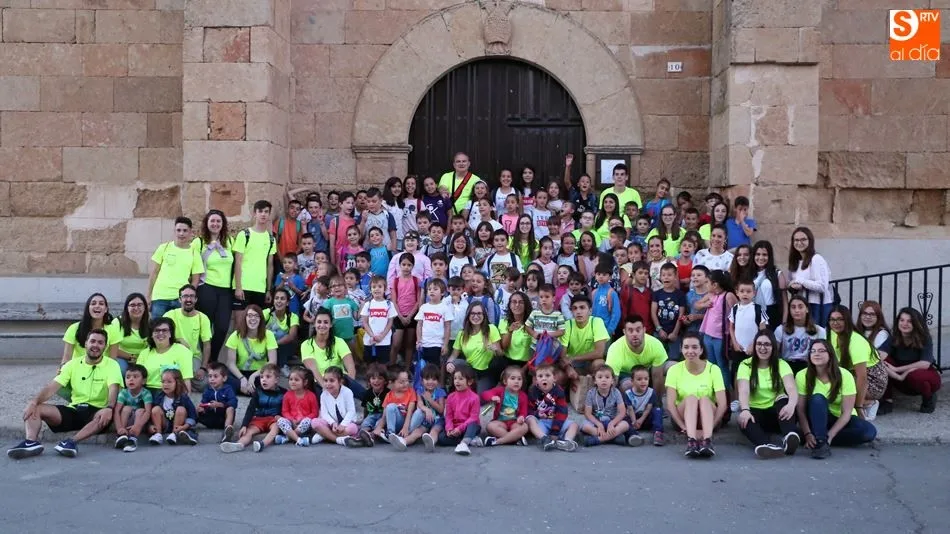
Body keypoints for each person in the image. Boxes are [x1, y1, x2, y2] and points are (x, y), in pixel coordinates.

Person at [8, 328, 122, 459]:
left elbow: (114, 389)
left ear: (105, 346)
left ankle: (71, 442)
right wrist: (33, 402)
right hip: (74, 409)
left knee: (103, 416)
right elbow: (52, 387)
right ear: (86, 344)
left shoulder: (112, 365)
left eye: (100, 343)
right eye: (93, 341)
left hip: (97, 411)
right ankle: (31, 442)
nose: (96, 345)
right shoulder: (72, 364)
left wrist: (109, 408)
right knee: (36, 408)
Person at [795, 339, 877, 459]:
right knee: (818, 399)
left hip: (841, 419)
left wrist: (830, 436)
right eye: (813, 351)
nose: (816, 354)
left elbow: (846, 412)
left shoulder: (845, 375)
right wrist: (807, 434)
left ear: (830, 354)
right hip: (817, 417)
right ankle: (819, 443)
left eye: (821, 351)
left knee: (869, 432)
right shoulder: (802, 375)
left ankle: (820, 439)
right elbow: (800, 410)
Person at [736, 331, 800, 459]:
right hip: (755, 413)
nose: (762, 348)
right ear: (754, 346)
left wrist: (792, 404)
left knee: (784, 399)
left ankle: (789, 437)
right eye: (759, 344)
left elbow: (791, 388)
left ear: (773, 347)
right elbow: (743, 390)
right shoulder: (745, 365)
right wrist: (744, 410)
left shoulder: (781, 364)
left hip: (777, 415)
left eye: (767, 344)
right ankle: (767, 445)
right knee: (743, 419)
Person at [666, 333, 728, 458]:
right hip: (683, 418)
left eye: (694, 347)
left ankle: (707, 441)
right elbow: (670, 404)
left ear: (701, 350)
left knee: (704, 399)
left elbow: (722, 404)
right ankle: (691, 441)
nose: (690, 351)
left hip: (708, 418)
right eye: (686, 347)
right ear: (681, 349)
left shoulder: (713, 369)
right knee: (691, 398)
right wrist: (684, 427)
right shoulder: (674, 370)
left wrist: (712, 426)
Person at [827, 305, 887, 420]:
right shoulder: (833, 334)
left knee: (838, 385)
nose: (836, 323)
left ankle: (868, 403)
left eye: (840, 319)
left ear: (847, 320)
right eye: (832, 319)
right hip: (852, 373)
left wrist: (858, 407)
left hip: (873, 381)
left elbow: (862, 378)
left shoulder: (856, 341)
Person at [881, 307, 942, 414]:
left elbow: (925, 364)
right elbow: (880, 356)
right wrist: (895, 374)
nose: (905, 324)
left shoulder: (924, 338)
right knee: (883, 361)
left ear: (916, 323)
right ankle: (887, 401)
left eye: (909, 321)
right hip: (899, 378)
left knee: (915, 375)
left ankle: (928, 398)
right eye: (902, 320)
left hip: (923, 376)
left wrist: (898, 369)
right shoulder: (894, 337)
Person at [194, 209, 234, 364]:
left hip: (225, 290)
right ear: (207, 223)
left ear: (222, 224)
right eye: (212, 221)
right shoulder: (199, 242)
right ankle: (203, 360)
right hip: (206, 288)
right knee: (205, 328)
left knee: (223, 327)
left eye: (218, 221)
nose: (215, 224)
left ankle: (213, 359)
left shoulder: (230, 241)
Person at [220, 363, 286, 453]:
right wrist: (244, 425)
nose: (264, 380)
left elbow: (286, 408)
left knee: (275, 428)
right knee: (249, 431)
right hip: (259, 418)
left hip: (274, 419)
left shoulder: (283, 393)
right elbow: (250, 409)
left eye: (268, 377)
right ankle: (239, 444)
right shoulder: (258, 391)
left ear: (276, 380)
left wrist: (282, 418)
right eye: (262, 377)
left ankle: (262, 444)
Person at [301, 307, 364, 397]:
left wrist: (347, 389)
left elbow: (350, 366)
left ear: (331, 324)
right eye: (319, 322)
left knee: (366, 396)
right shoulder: (306, 345)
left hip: (341, 381)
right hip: (320, 383)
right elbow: (314, 370)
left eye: (326, 322)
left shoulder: (339, 341)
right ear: (314, 324)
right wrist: (327, 388)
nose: (322, 325)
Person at [148, 216, 203, 317]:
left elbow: (195, 280)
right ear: (174, 231)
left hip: (180, 300)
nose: (181, 233)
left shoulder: (195, 253)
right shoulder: (163, 248)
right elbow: (154, 273)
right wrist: (148, 296)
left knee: (179, 331)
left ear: (191, 232)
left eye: (185, 230)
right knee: (157, 330)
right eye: (179, 230)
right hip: (160, 297)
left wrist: (188, 297)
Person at [446, 302, 503, 393]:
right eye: (472, 313)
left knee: (480, 398)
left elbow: (500, 353)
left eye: (479, 313)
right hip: (469, 370)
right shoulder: (462, 333)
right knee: (455, 363)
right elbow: (453, 355)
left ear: (484, 315)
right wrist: (448, 363)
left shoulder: (491, 329)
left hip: (485, 372)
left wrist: (495, 348)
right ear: (468, 315)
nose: (476, 316)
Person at [163, 284, 212, 391]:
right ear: (180, 299)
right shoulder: (170, 315)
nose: (188, 299)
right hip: (172, 355)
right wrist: (179, 340)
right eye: (185, 296)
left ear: (196, 299)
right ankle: (180, 384)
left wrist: (203, 368)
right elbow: (160, 337)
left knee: (204, 383)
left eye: (191, 296)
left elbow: (207, 345)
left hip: (193, 357)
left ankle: (178, 384)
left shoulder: (202, 318)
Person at [605, 316, 670, 394]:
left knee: (673, 367)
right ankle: (629, 405)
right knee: (628, 385)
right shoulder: (615, 348)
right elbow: (612, 381)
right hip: (626, 374)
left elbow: (657, 376)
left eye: (638, 330)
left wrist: (655, 401)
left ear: (644, 330)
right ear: (624, 332)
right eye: (630, 331)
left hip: (648, 371)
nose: (634, 334)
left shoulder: (655, 344)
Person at [427, 366, 482, 455]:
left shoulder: (474, 398)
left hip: (467, 426)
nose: (457, 381)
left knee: (473, 425)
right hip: (455, 427)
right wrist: (450, 429)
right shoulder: (451, 397)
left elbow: (473, 418)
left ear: (470, 381)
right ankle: (470, 440)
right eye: (455, 378)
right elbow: (448, 415)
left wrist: (460, 429)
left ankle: (463, 444)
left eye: (461, 379)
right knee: (442, 438)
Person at [223, 305, 277, 395]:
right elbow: (230, 364)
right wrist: (242, 378)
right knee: (224, 380)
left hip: (260, 373)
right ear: (245, 318)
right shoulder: (235, 335)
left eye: (256, 316)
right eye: (250, 315)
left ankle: (247, 390)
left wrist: (254, 375)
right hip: (239, 373)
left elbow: (273, 361)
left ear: (261, 319)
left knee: (269, 381)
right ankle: (251, 390)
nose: (253, 319)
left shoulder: (269, 335)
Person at [233, 200, 277, 312]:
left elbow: (270, 265)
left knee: (256, 324)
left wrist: (268, 289)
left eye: (266, 212)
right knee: (240, 323)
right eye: (260, 211)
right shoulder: (244, 235)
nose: (263, 214)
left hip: (260, 287)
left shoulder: (271, 239)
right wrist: (238, 287)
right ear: (254, 213)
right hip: (243, 286)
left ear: (269, 215)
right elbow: (238, 261)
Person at [787, 226, 833, 327]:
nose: (799, 242)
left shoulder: (816, 259)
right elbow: (790, 282)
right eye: (796, 240)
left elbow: (822, 286)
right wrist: (793, 285)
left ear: (810, 241)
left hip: (817, 305)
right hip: (801, 306)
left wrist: (801, 282)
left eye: (803, 239)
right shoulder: (795, 262)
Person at [526, 364, 578, 452]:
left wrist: (555, 431)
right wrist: (536, 414)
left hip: (556, 421)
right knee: (529, 420)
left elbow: (562, 413)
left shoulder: (559, 391)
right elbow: (529, 409)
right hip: (541, 422)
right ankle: (544, 439)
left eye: (547, 375)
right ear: (536, 380)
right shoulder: (533, 391)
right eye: (540, 376)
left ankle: (567, 441)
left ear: (554, 378)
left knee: (574, 425)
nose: (544, 378)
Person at [136, 317, 194, 393]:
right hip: (147, 393)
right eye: (157, 330)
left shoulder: (182, 351)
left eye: (164, 330)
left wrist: (183, 401)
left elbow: (186, 380)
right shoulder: (144, 353)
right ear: (151, 334)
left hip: (170, 393)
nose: (161, 333)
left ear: (170, 334)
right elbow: (137, 379)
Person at [579, 366, 632, 447]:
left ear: (612, 381)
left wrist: (612, 423)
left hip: (611, 421)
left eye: (607, 377)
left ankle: (598, 440)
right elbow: (588, 413)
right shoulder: (591, 393)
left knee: (625, 425)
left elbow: (622, 412)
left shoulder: (616, 392)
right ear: (595, 381)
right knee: (584, 426)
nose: (603, 380)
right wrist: (599, 424)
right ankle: (614, 438)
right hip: (596, 422)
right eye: (600, 377)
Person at [62, 292, 120, 364]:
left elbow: (113, 360)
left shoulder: (113, 329)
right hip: (77, 369)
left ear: (106, 309)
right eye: (93, 303)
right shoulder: (74, 328)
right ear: (88, 308)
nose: (97, 306)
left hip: (102, 369)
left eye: (101, 304)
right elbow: (66, 358)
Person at [480, 366, 530, 447]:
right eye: (513, 378)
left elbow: (523, 411)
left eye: (519, 379)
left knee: (524, 427)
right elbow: (484, 394)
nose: (516, 381)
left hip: (514, 422)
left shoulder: (523, 396)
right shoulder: (500, 390)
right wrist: (492, 397)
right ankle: (515, 439)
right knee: (490, 426)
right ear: (505, 381)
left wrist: (521, 417)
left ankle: (498, 441)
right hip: (500, 422)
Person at [147, 368, 199, 446]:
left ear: (177, 383)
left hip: (179, 425)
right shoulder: (159, 396)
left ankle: (174, 434)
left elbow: (193, 414)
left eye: (169, 382)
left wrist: (186, 426)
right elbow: (152, 415)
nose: (165, 384)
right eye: (163, 382)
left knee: (181, 409)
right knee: (155, 409)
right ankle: (158, 434)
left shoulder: (183, 397)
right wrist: (150, 426)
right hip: (165, 424)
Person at [775, 296, 826, 374]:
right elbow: (774, 352)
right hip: (787, 365)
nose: (797, 310)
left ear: (807, 309)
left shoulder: (819, 331)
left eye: (800, 307)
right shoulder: (781, 329)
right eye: (793, 307)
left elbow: (823, 353)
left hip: (810, 366)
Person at [404, 364, 447, 448]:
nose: (430, 382)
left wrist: (430, 400)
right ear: (422, 380)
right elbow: (419, 404)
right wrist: (427, 410)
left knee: (435, 431)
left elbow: (441, 410)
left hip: (438, 419)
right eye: (427, 379)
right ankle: (403, 441)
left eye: (434, 379)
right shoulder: (420, 391)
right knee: (417, 431)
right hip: (426, 419)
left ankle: (431, 442)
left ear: (438, 381)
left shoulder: (440, 392)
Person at [112, 363, 153, 453]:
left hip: (140, 422)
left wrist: (137, 426)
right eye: (128, 377)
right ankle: (121, 436)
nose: (131, 379)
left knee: (141, 410)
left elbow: (148, 412)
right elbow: (117, 410)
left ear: (144, 381)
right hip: (127, 422)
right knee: (126, 408)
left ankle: (132, 439)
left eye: (135, 377)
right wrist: (119, 428)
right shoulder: (123, 393)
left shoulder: (146, 393)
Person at [275, 366, 318, 447]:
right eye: (291, 379)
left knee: (307, 421)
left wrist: (302, 419)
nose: (293, 382)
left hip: (304, 425)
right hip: (291, 423)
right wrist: (292, 420)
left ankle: (288, 438)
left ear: (305, 382)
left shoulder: (311, 396)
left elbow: (314, 412)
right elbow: (285, 411)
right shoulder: (287, 395)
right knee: (280, 421)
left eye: (296, 380)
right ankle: (299, 440)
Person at [623, 365, 665, 446]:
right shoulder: (628, 393)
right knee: (623, 417)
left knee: (658, 410)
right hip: (633, 419)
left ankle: (658, 432)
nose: (643, 381)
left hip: (645, 418)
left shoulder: (651, 392)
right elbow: (630, 409)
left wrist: (641, 420)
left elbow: (648, 408)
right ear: (632, 381)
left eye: (646, 379)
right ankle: (633, 435)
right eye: (639, 379)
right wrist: (634, 421)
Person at [197, 361, 238, 443]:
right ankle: (187, 429)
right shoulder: (207, 390)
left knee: (230, 409)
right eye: (210, 376)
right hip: (211, 418)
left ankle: (227, 431)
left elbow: (234, 402)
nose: (212, 379)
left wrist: (221, 405)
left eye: (215, 376)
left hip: (223, 419)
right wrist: (202, 408)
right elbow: (203, 402)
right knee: (195, 409)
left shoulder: (228, 389)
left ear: (224, 378)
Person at [751, 240, 787, 331]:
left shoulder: (777, 274)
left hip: (771, 314)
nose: (761, 257)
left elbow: (784, 302)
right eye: (758, 254)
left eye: (764, 255)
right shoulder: (749, 274)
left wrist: (784, 323)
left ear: (769, 256)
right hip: (752, 313)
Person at [360, 276, 396, 365]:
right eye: (374, 287)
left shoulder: (389, 304)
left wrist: (382, 336)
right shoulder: (368, 304)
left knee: (382, 364)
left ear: (385, 289)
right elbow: (365, 322)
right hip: (370, 340)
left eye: (380, 286)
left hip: (384, 340)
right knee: (369, 364)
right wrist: (372, 336)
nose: (377, 289)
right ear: (370, 289)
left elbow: (390, 322)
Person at [263, 288, 299, 377]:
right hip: (266, 346)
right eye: (276, 298)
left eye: (282, 299)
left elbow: (291, 336)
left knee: (286, 338)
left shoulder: (293, 316)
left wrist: (274, 345)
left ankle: (283, 366)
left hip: (282, 346)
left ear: (287, 302)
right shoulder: (266, 313)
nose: (279, 301)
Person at [112, 293, 150, 375]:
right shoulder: (117, 322)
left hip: (143, 358)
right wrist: (131, 356)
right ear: (127, 308)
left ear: (145, 307)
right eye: (132, 305)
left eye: (140, 305)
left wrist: (140, 359)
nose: (136, 308)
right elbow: (111, 347)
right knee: (122, 371)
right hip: (121, 357)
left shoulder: (150, 323)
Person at [381, 366, 418, 451]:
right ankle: (391, 433)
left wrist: (405, 427)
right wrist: (379, 427)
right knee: (390, 407)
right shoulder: (389, 395)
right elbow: (384, 415)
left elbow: (410, 411)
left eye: (407, 381)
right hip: (395, 423)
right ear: (392, 383)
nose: (406, 384)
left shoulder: (411, 392)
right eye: (401, 382)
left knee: (419, 413)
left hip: (407, 422)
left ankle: (402, 435)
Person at [359, 363, 390, 442]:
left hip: (383, 416)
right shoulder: (367, 393)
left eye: (380, 378)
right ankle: (364, 434)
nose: (376, 381)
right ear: (369, 380)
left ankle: (372, 436)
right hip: (372, 414)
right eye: (373, 378)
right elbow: (365, 408)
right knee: (365, 424)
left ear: (385, 381)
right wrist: (364, 419)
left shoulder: (388, 393)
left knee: (378, 424)